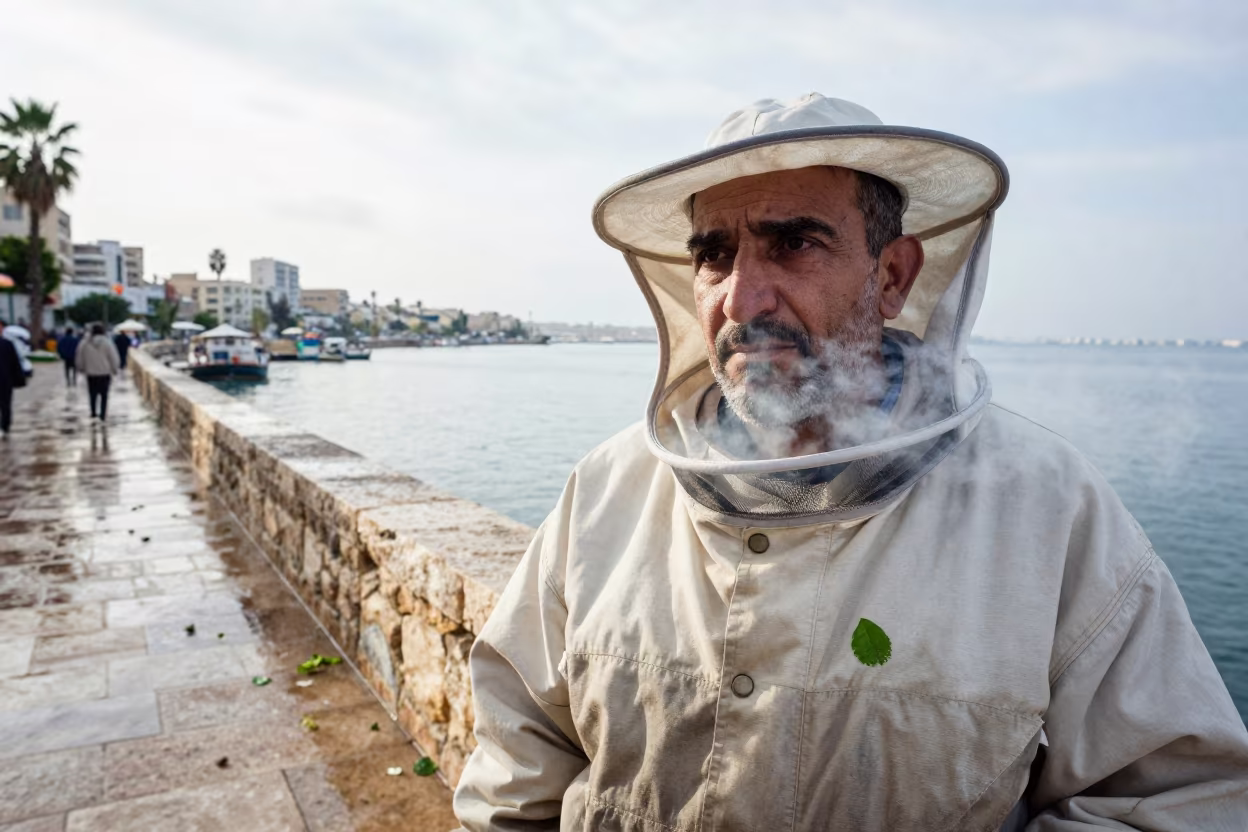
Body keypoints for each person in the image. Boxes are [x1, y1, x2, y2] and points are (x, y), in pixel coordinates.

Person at [453, 95, 1248, 831]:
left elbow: (1178, 798)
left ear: (893, 275)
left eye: (794, 243)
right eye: (715, 254)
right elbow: (515, 770)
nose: (742, 297)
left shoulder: (1047, 506)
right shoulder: (606, 489)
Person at [76, 323, 120, 422]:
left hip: (91, 374)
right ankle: (103, 414)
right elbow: (113, 357)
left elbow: (79, 357)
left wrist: (81, 368)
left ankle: (93, 412)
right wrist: (115, 369)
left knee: (92, 394)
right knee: (104, 395)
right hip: (104, 373)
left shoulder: (84, 343)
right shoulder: (107, 343)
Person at [0, 318, 26, 438]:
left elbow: (15, 363)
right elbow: (15, 364)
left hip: (5, 380)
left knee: (6, 405)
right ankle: (5, 426)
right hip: (5, 380)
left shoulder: (8, 344)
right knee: (6, 404)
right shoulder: (8, 344)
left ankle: (5, 426)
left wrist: (18, 378)